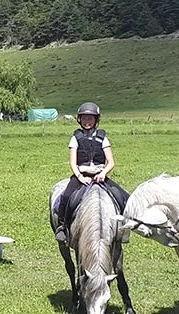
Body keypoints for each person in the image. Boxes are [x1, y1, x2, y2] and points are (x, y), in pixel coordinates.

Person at [55, 102, 129, 243]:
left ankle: (123, 229)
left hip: (100, 175)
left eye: (90, 118)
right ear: (79, 119)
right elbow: (72, 162)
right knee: (66, 197)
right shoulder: (75, 138)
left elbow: (111, 162)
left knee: (123, 197)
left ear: (96, 120)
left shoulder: (103, 138)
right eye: (84, 118)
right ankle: (62, 227)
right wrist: (80, 177)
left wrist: (103, 173)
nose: (87, 121)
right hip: (81, 176)